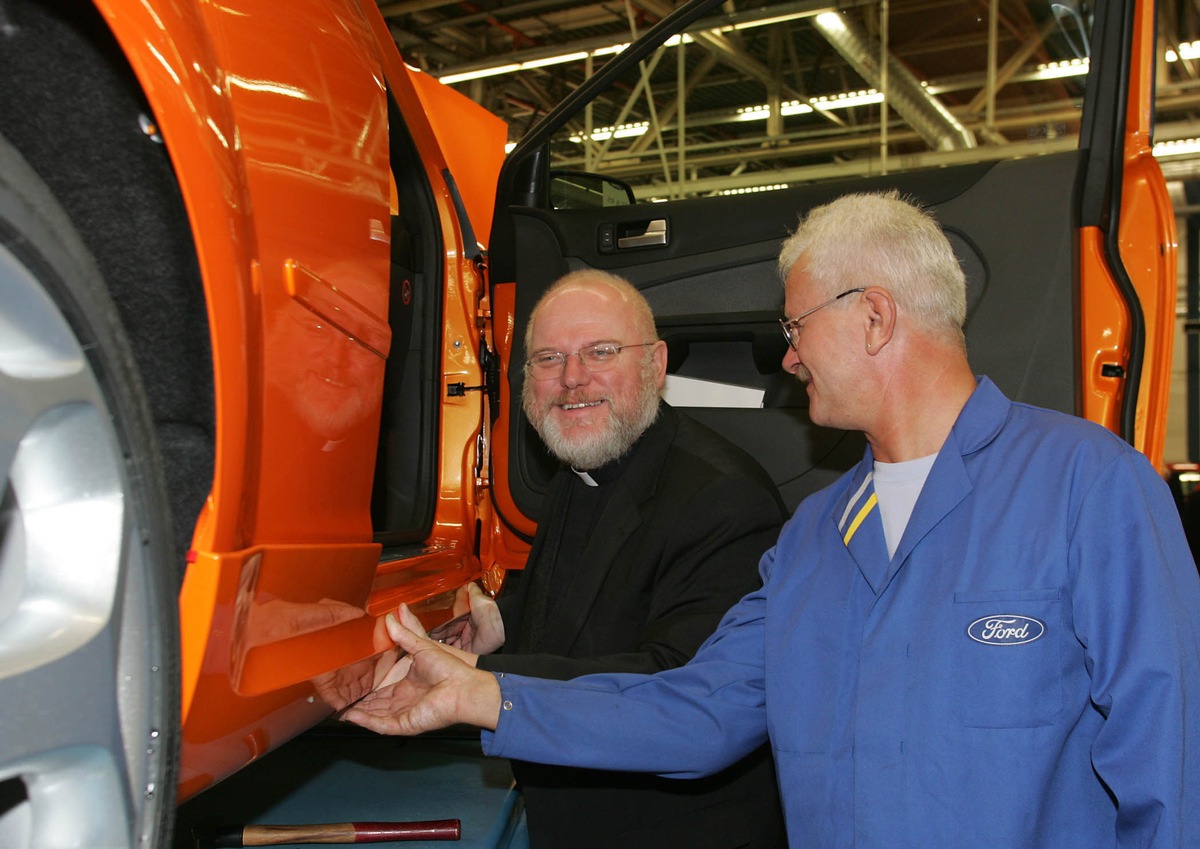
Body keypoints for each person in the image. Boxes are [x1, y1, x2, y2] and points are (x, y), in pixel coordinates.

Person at [345, 193, 1200, 847]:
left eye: (796, 326)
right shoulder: (815, 538)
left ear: (874, 316)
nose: (787, 357)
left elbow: (1171, 767)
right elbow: (697, 708)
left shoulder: (1092, 489)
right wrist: (483, 694)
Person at [400, 269, 788, 848]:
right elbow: (588, 591)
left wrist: (475, 682)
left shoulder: (725, 501)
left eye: (600, 352)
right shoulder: (582, 462)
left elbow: (675, 688)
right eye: (549, 359)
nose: (572, 379)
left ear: (655, 365)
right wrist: (503, 621)